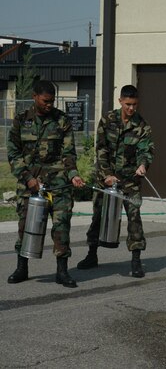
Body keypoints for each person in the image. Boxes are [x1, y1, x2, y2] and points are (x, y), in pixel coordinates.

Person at [7, 80, 85, 287]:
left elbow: (68, 154)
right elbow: (13, 155)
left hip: (58, 184)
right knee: (26, 227)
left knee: (62, 227)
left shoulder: (62, 121)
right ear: (34, 97)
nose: (49, 105)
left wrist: (73, 175)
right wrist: (28, 178)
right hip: (30, 184)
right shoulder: (21, 121)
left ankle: (62, 271)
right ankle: (21, 268)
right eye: (45, 101)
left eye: (51, 101)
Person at [77, 84, 154, 277]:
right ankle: (92, 254)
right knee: (98, 216)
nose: (131, 108)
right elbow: (101, 150)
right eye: (128, 104)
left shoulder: (142, 126)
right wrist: (107, 175)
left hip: (130, 180)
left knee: (134, 218)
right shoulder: (107, 120)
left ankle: (136, 261)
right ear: (120, 101)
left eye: (135, 104)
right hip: (106, 179)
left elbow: (146, 150)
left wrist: (143, 165)